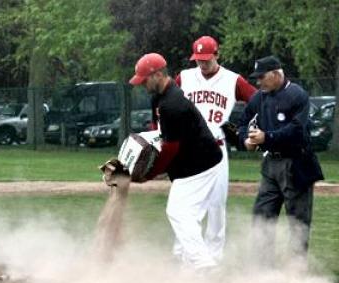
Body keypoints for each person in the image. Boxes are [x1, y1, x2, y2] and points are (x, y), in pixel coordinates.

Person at [128, 53, 223, 270]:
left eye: (144, 79)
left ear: (158, 75)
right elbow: (157, 133)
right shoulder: (159, 99)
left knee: (178, 211)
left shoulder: (174, 104)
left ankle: (203, 264)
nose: (142, 84)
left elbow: (171, 150)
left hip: (201, 164)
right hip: (190, 163)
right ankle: (187, 261)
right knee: (185, 213)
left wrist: (149, 174)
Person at [171, 35, 257, 262]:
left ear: (217, 55)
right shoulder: (184, 77)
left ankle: (214, 259)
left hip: (216, 151)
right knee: (188, 208)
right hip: (188, 152)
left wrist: (242, 128)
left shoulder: (232, 80)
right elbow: (168, 104)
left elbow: (257, 101)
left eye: (206, 59)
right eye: (198, 59)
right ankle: (185, 257)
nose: (202, 63)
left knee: (216, 207)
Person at [238, 55, 323, 266]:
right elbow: (239, 123)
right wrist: (244, 139)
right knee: (262, 217)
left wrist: (268, 137)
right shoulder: (260, 97)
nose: (258, 82)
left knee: (298, 222)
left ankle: (296, 272)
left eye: (261, 77)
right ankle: (263, 271)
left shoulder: (297, 95)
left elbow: (297, 130)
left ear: (276, 74)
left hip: (296, 163)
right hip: (270, 166)